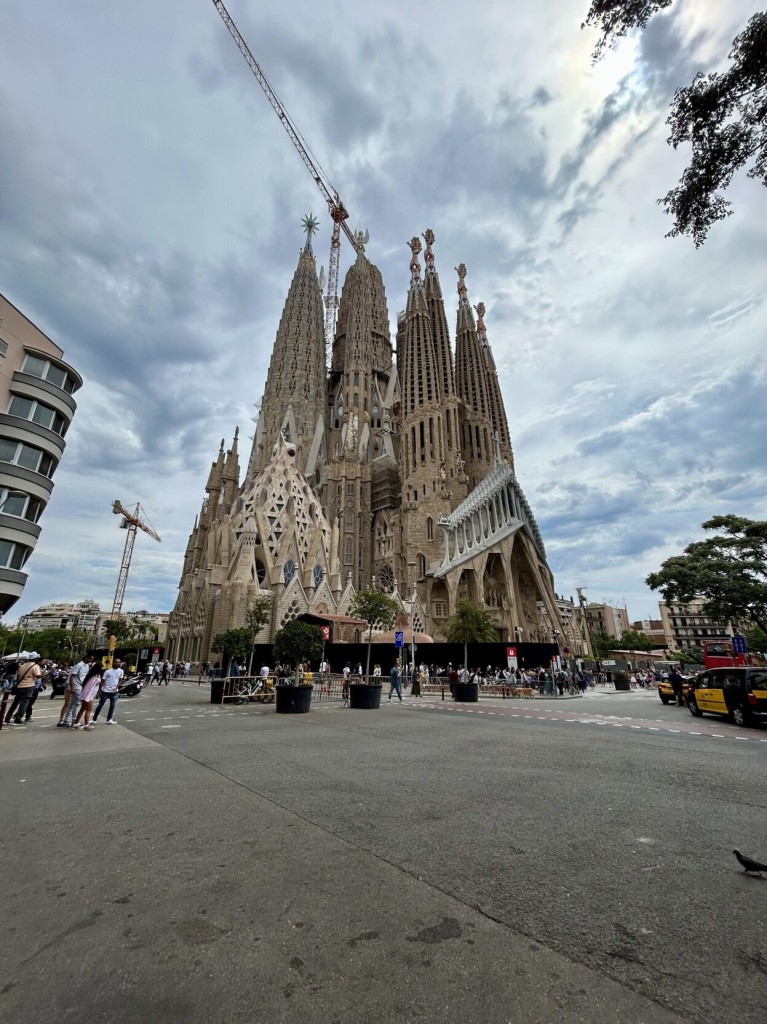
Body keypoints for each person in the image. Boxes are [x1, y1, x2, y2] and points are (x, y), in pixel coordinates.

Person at [4, 654, 42, 725]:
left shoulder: (22, 665)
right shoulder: (35, 666)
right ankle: (18, 718)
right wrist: (45, 674)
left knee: (15, 703)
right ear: (36, 659)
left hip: (20, 685)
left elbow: (18, 675)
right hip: (29, 685)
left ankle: (7, 718)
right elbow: (37, 676)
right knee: (24, 703)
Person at [59, 654, 94, 727]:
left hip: (80, 686)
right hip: (76, 686)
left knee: (72, 704)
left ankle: (67, 720)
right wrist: (71, 687)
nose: (91, 660)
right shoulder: (79, 665)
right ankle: (74, 720)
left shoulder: (87, 666)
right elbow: (72, 676)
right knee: (76, 704)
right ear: (86, 658)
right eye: (90, 658)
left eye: (92, 659)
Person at [92, 659, 124, 724]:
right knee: (100, 705)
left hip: (114, 692)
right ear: (113, 663)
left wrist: (117, 687)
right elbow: (102, 681)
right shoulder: (108, 671)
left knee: (112, 705)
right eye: (116, 662)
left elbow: (121, 680)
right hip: (105, 691)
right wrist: (99, 692)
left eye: (119, 662)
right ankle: (94, 719)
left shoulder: (121, 671)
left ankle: (109, 719)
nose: (117, 663)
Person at [74, 664, 103, 729]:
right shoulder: (95, 677)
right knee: (88, 709)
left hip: (88, 694)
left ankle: (76, 723)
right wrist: (87, 696)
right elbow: (89, 687)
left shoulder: (92, 676)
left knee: (83, 709)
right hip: (89, 695)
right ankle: (86, 724)